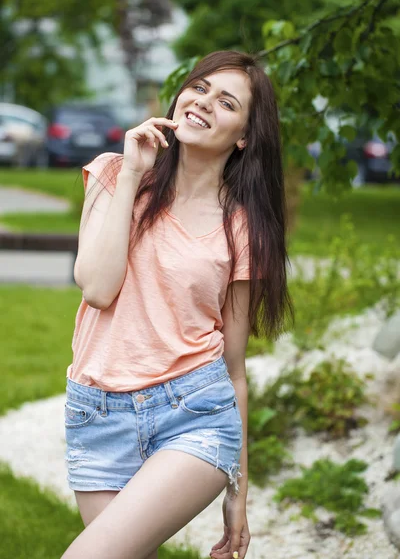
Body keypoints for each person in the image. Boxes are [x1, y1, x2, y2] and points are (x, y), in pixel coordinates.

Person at [61, 50, 293, 559]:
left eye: (226, 102)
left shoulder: (243, 229)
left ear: (244, 136)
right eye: (201, 87)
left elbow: (234, 367)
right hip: (98, 413)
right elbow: (98, 288)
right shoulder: (112, 174)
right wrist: (131, 176)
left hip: (195, 412)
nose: (204, 102)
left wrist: (238, 495)